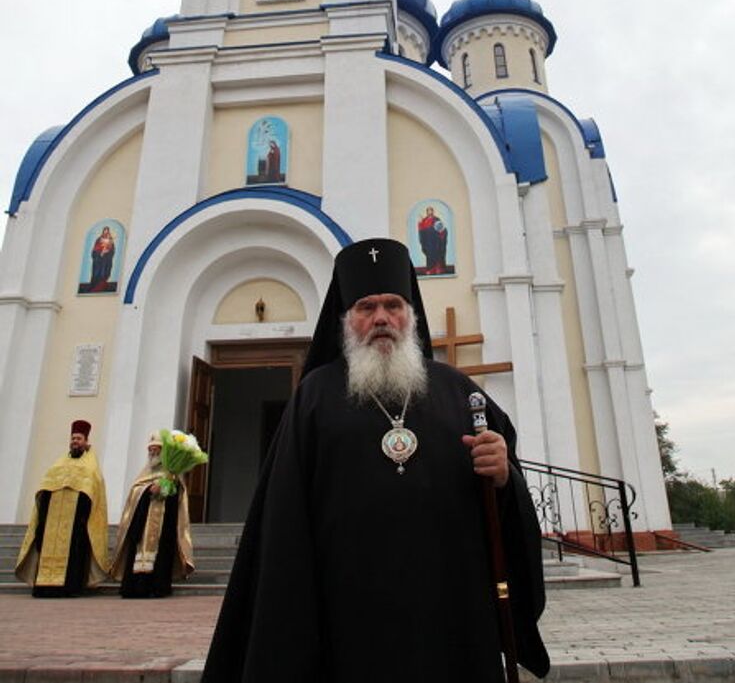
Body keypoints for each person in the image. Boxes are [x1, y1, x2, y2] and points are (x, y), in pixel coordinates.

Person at [201, 238, 549, 683]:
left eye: (392, 304)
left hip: (451, 610)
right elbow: (283, 516)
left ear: (411, 315)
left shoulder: (461, 393)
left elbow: (506, 508)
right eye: (366, 307)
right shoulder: (313, 397)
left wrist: (504, 477)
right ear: (345, 321)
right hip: (344, 614)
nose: (381, 317)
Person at [15, 419, 109, 597]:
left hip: (75, 521)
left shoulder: (90, 466)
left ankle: (68, 588)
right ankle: (44, 588)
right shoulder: (59, 463)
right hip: (52, 519)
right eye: (73, 438)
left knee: (73, 556)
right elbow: (46, 487)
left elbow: (93, 491)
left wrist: (83, 517)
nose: (75, 441)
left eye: (79, 438)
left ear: (86, 442)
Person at [110, 431, 194, 597]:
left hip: (163, 523)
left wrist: (165, 488)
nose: (154, 453)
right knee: (138, 555)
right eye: (151, 450)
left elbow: (178, 496)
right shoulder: (144, 473)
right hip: (142, 523)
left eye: (157, 450)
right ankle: (134, 588)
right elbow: (134, 493)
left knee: (160, 556)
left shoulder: (172, 473)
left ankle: (157, 587)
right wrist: (148, 489)